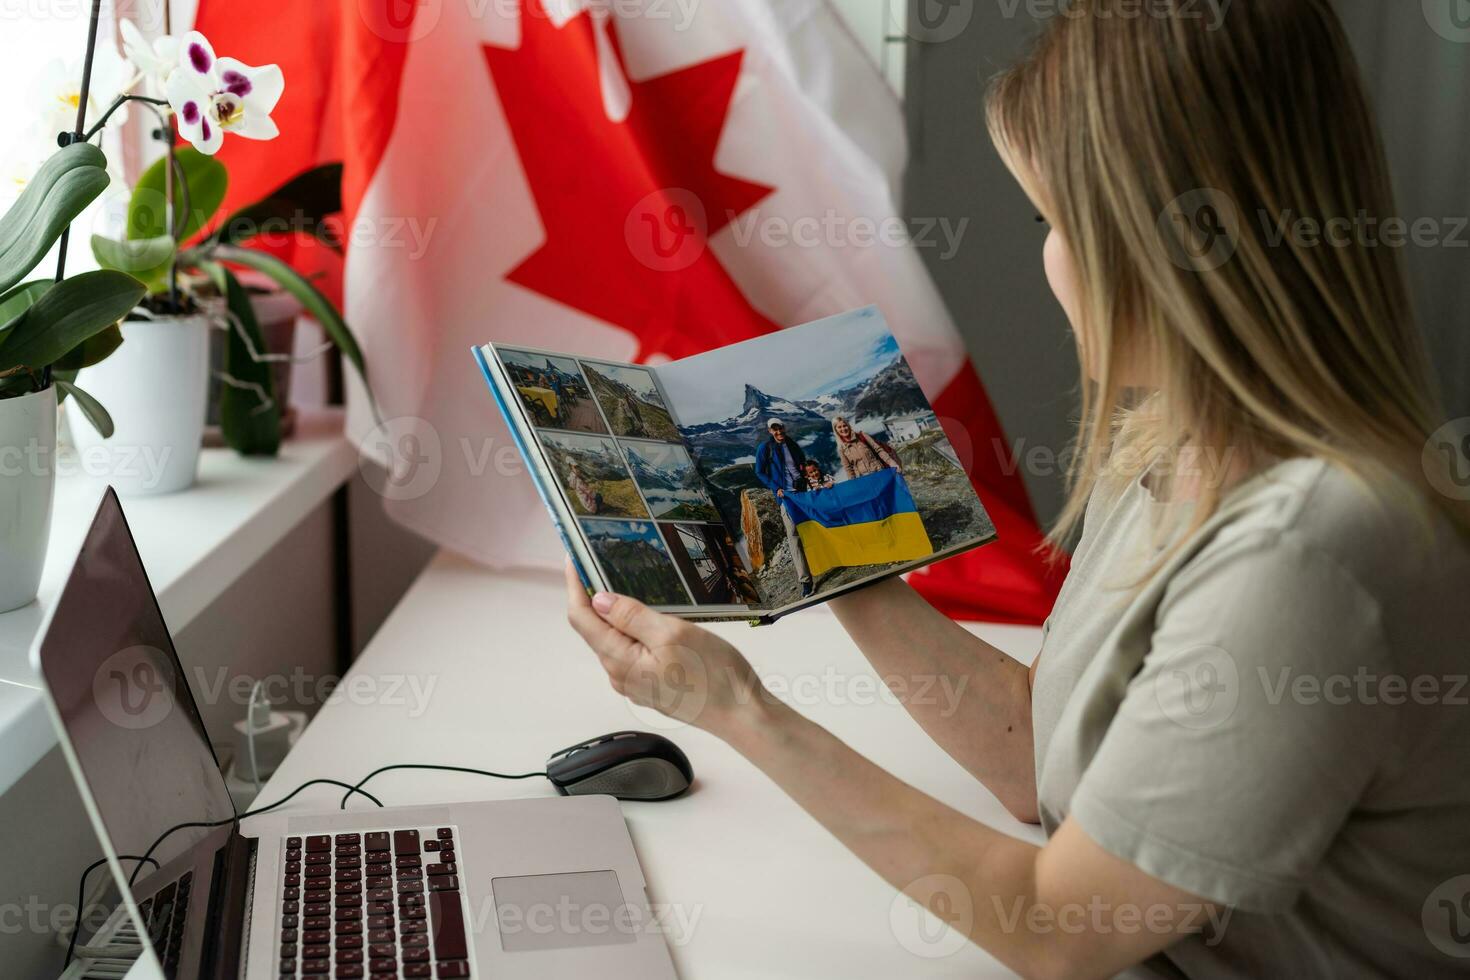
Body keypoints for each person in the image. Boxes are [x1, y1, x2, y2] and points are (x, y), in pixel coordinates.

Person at [566, 3, 1470, 977]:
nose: (1049, 256)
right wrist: (832, 556)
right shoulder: (1176, 440)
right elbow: (1041, 763)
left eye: (1054, 219)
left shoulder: (1309, 553)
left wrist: (738, 708)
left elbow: (1059, 926)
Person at [754, 419, 814, 598]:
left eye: (780, 428)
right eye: (775, 429)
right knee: (793, 536)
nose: (778, 431)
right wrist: (775, 487)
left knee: (812, 530)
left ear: (784, 428)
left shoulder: (793, 445)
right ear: (770, 431)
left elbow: (802, 465)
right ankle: (805, 582)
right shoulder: (765, 448)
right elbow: (759, 471)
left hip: (802, 494)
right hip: (786, 497)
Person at [833, 416, 900, 480]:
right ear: (836, 430)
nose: (843, 429)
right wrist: (853, 483)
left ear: (848, 425)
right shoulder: (842, 448)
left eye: (845, 425)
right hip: (864, 480)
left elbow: (879, 450)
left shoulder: (862, 436)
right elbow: (848, 469)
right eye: (839, 427)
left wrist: (891, 463)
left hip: (879, 472)